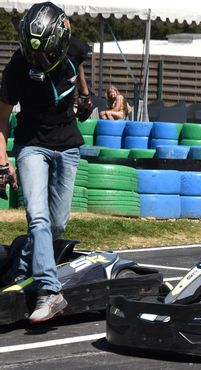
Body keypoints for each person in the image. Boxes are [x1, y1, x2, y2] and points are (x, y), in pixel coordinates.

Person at [0, 2, 92, 324]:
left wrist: (85, 95)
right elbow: (0, 122)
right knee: (38, 218)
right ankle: (50, 292)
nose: (38, 61)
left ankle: (22, 266)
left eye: (45, 55)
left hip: (67, 145)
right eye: (32, 54)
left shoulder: (74, 47)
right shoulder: (15, 69)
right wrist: (2, 163)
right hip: (32, 145)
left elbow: (79, 64)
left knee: (57, 224)